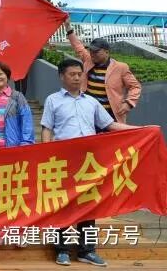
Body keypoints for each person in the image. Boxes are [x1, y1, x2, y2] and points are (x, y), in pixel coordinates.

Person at [42, 59, 142, 267]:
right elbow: (47, 129)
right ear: (61, 76)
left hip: (88, 162)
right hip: (62, 160)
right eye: (72, 74)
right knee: (62, 204)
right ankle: (61, 250)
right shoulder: (53, 100)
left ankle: (86, 251)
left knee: (88, 205)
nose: (77, 77)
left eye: (79, 74)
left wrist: (140, 130)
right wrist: (46, 153)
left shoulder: (91, 102)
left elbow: (110, 125)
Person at [65, 18, 141, 123]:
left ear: (106, 52)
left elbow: (135, 87)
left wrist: (129, 103)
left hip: (111, 115)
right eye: (91, 51)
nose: (92, 54)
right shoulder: (88, 60)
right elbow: (78, 46)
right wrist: (68, 27)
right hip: (89, 112)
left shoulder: (120, 67)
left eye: (96, 52)